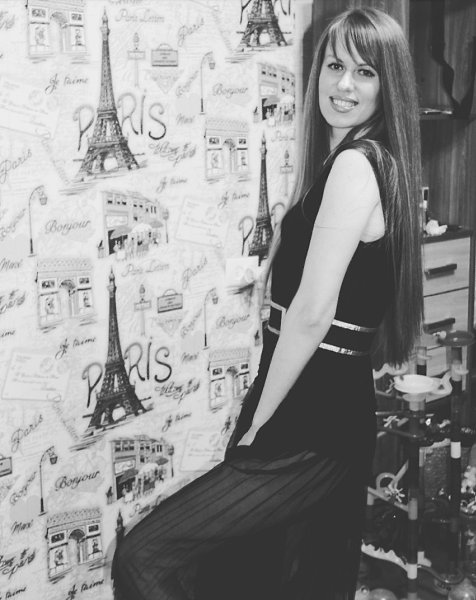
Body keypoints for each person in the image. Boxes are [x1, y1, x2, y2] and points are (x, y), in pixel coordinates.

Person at [111, 7, 423, 599]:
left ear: (389, 86)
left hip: (314, 414)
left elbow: (311, 313)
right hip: (324, 402)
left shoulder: (355, 165)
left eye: (365, 72)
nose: (343, 84)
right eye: (334, 66)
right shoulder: (360, 161)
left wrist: (257, 421)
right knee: (270, 578)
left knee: (145, 555)